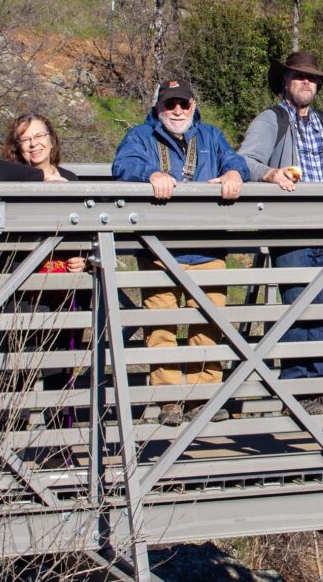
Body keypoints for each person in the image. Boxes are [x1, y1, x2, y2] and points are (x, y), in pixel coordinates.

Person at [238, 51, 323, 419]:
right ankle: (299, 391)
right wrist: (270, 175)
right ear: (286, 81)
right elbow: (246, 161)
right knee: (298, 307)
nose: (306, 83)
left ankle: (321, 388)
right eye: (299, 77)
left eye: (313, 78)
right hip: (293, 229)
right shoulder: (271, 120)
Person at [113, 78, 247, 427]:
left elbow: (237, 161)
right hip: (158, 251)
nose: (176, 110)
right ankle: (170, 401)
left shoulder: (211, 136)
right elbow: (122, 166)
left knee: (210, 326)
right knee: (161, 329)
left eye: (183, 104)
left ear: (193, 104)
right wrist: (151, 173)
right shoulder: (140, 137)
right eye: (169, 103)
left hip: (207, 249)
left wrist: (234, 172)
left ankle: (203, 401)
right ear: (158, 106)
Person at [0, 114, 88, 429]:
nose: (35, 143)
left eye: (39, 135)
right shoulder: (10, 174)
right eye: (25, 138)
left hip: (63, 289)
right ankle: (5, 445)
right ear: (16, 146)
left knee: (61, 368)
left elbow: (84, 228)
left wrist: (82, 258)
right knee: (16, 367)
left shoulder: (71, 177)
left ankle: (61, 446)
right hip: (23, 289)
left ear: (51, 138)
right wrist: (43, 180)